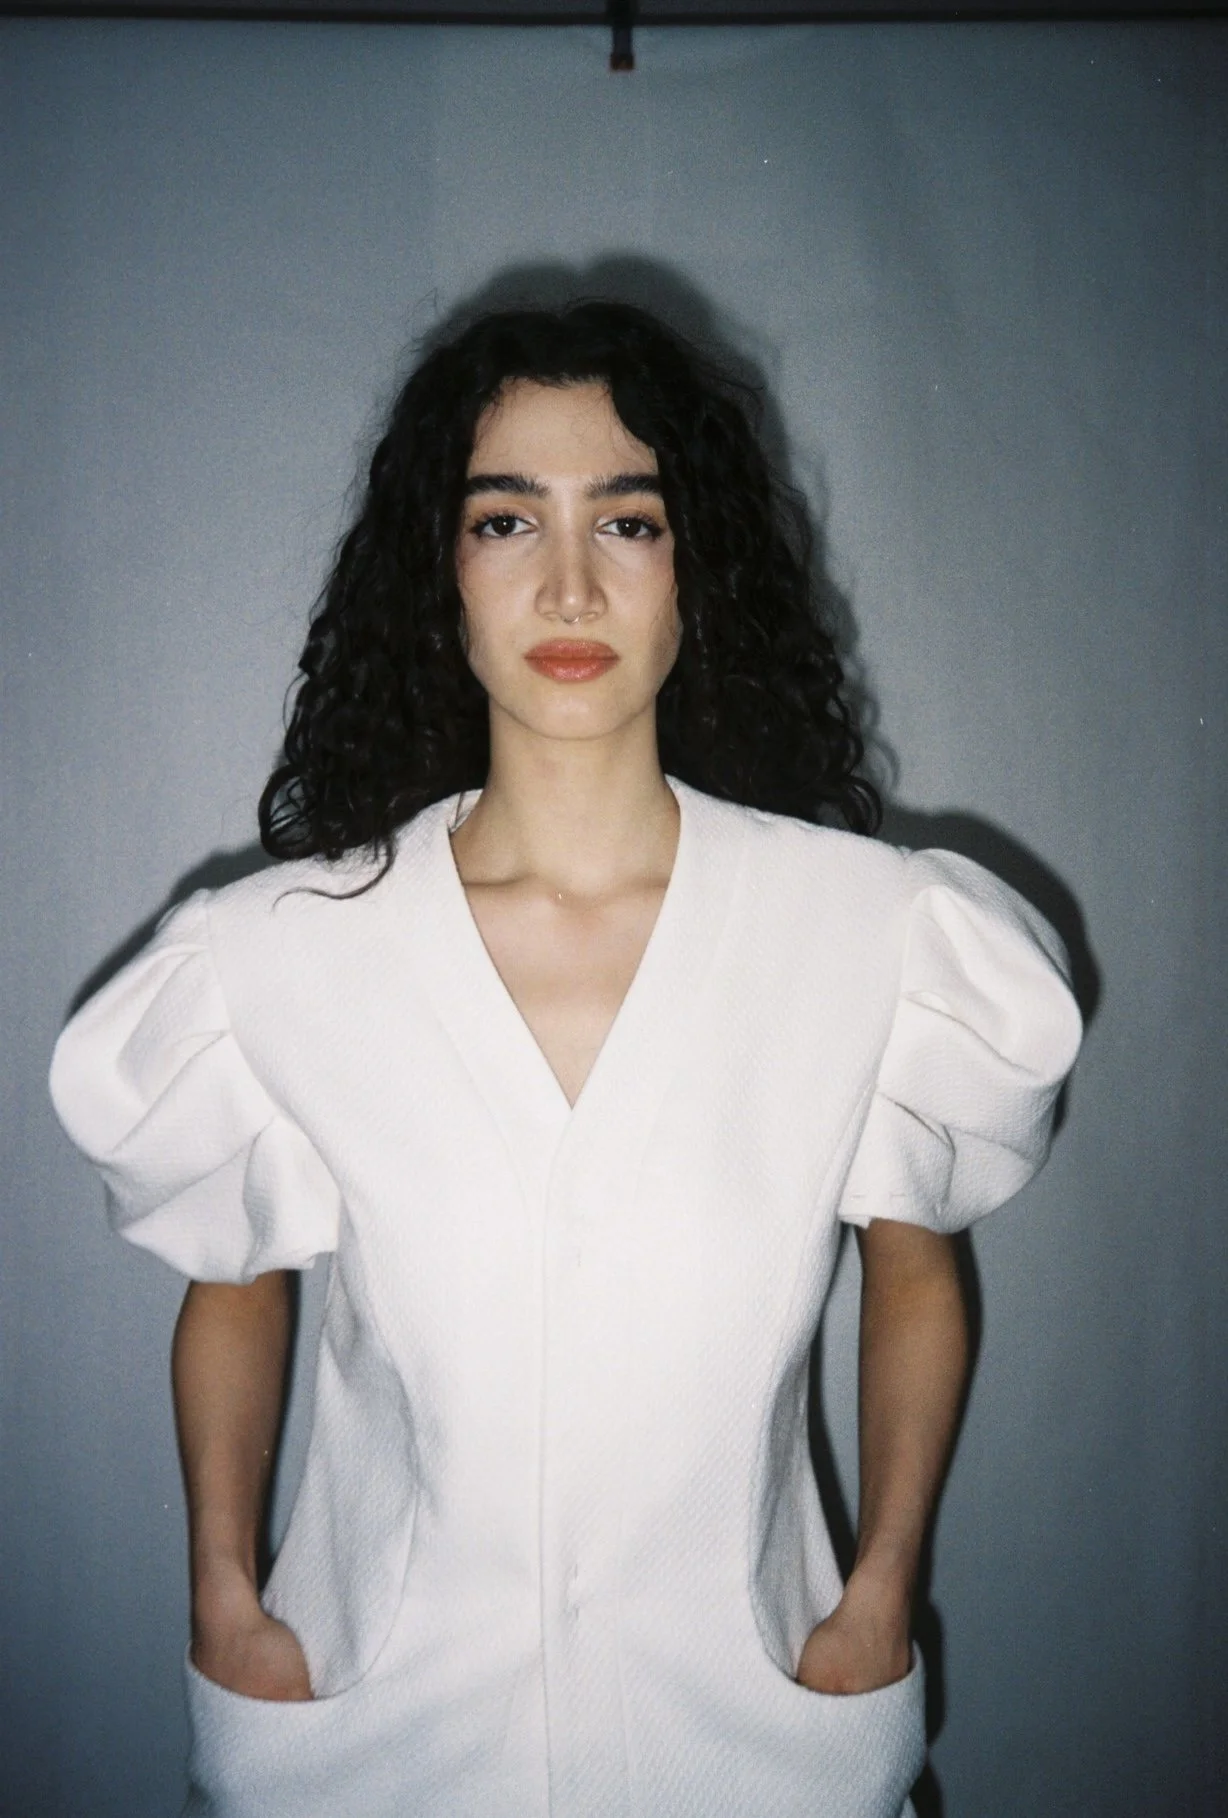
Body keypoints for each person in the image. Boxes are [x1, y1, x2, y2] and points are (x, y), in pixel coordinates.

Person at [49, 299, 1082, 1818]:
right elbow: (235, 1272)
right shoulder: (279, 954)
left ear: (696, 570)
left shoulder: (869, 935)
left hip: (751, 1736)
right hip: (380, 1738)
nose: (571, 578)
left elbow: (917, 1270)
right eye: (504, 518)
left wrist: (880, 1591)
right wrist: (223, 1590)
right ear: (441, 572)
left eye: (633, 518)